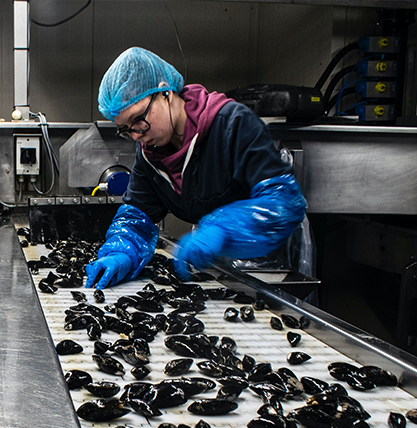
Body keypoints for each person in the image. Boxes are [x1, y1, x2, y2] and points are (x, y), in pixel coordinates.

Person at [85, 47, 307, 289]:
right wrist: (121, 252)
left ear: (165, 92)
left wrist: (224, 230)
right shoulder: (151, 153)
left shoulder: (232, 125)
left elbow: (284, 203)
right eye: (126, 129)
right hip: (215, 272)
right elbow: (138, 215)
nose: (136, 135)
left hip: (267, 270)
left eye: (138, 120)